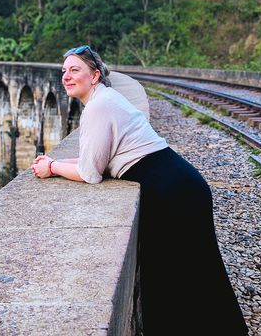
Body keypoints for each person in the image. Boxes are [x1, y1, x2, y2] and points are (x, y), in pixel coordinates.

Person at [31, 45, 249, 335]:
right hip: (178, 184)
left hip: (174, 193)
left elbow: (89, 173)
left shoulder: (99, 107)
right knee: (198, 273)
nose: (66, 77)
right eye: (64, 72)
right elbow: (95, 159)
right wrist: (57, 161)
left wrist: (52, 168)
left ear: (95, 76)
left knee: (176, 276)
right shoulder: (105, 100)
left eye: (75, 70)